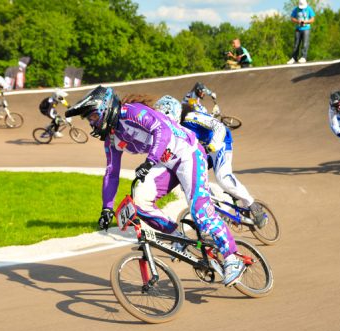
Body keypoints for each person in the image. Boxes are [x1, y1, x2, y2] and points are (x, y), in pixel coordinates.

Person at [66, 86, 246, 287]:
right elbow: (111, 172)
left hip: (188, 154)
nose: (92, 123)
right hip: (165, 163)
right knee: (140, 201)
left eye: (92, 117)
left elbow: (162, 130)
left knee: (200, 211)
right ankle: (178, 237)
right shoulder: (111, 139)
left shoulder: (131, 112)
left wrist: (150, 160)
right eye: (89, 120)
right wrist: (106, 207)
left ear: (106, 108)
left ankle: (232, 258)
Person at [155, 95, 267, 227]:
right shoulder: (174, 129)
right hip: (204, 151)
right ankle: (215, 208)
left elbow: (218, 127)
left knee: (222, 177)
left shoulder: (191, 117)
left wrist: (214, 144)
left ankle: (252, 205)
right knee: (188, 180)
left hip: (220, 143)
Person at [287, 0, 316, 65]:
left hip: (306, 29)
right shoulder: (296, 9)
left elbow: (312, 19)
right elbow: (292, 18)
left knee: (305, 44)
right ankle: (294, 58)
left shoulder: (309, 9)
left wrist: (305, 22)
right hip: (298, 28)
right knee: (296, 44)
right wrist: (298, 21)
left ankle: (303, 57)